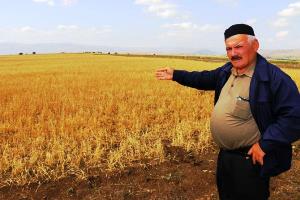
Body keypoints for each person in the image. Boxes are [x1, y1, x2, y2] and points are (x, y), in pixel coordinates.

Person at [155, 23, 300, 200]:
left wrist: (265, 145)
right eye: (229, 48)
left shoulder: (273, 79)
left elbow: (294, 118)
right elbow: (203, 78)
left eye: (238, 46)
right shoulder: (227, 71)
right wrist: (176, 75)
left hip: (250, 159)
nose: (233, 53)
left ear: (255, 45)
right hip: (225, 156)